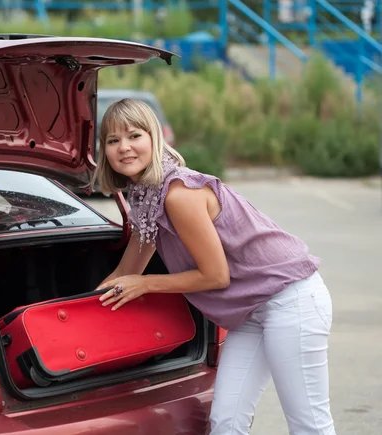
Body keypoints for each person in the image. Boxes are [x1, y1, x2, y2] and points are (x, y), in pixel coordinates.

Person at [92, 98, 336, 435]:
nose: (124, 147)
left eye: (135, 135)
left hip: (290, 300)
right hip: (249, 313)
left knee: (308, 423)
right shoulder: (145, 197)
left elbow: (215, 275)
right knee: (226, 422)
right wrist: (82, 314)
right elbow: (125, 272)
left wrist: (146, 284)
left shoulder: (179, 194)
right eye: (113, 140)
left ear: (155, 138)